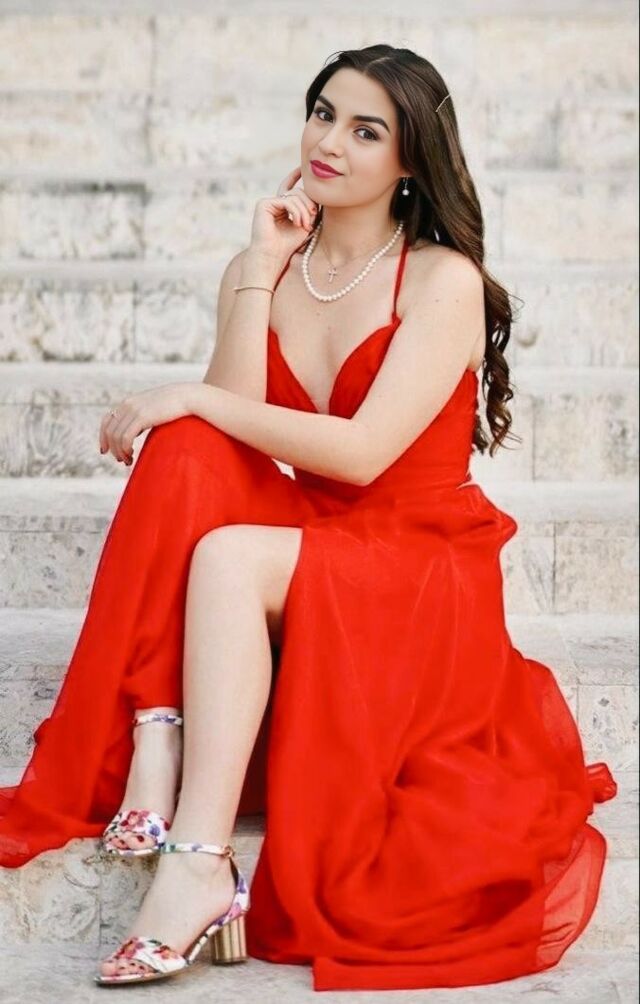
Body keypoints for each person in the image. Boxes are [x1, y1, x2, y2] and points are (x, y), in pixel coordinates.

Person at [0, 44, 618, 992]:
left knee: (223, 538)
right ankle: (159, 733)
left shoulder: (441, 279)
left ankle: (197, 857)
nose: (329, 143)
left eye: (366, 131)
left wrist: (188, 394)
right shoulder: (266, 270)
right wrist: (260, 268)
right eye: (323, 114)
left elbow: (363, 454)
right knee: (188, 448)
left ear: (410, 160)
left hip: (419, 562)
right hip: (318, 537)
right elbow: (228, 439)